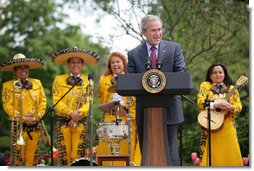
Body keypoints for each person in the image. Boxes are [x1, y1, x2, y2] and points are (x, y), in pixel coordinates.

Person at [127, 14, 186, 166]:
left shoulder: (174, 49)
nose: (158, 33)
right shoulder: (133, 54)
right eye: (153, 30)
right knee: (147, 151)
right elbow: (130, 80)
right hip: (144, 109)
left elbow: (181, 73)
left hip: (170, 107)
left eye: (160, 29)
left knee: (171, 152)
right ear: (143, 31)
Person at [51, 47, 99, 165]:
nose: (75, 65)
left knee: (79, 156)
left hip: (80, 122)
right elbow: (56, 100)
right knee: (64, 156)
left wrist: (77, 115)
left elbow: (89, 102)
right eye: (73, 62)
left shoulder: (88, 81)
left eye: (78, 62)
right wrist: (70, 113)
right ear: (68, 64)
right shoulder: (59, 79)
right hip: (63, 123)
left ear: (82, 65)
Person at [1, 53, 47, 166]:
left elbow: (43, 102)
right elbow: (8, 106)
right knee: (16, 158)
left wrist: (37, 116)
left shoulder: (37, 83)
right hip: (18, 127)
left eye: (25, 66)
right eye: (20, 67)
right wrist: (22, 119)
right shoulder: (7, 85)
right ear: (14, 71)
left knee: (33, 159)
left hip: (35, 125)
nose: (23, 69)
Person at [97, 52, 141, 166]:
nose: (115, 65)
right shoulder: (104, 79)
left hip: (127, 118)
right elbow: (101, 99)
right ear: (109, 65)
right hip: (109, 117)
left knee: (125, 149)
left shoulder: (131, 78)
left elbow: (135, 102)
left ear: (124, 63)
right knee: (107, 150)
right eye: (112, 62)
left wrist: (127, 113)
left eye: (118, 62)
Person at [197, 63, 243, 166]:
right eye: (215, 73)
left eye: (220, 72)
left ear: (224, 74)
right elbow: (200, 102)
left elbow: (239, 105)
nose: (218, 75)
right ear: (210, 75)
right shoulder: (205, 86)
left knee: (231, 154)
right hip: (211, 125)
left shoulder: (232, 88)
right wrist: (215, 104)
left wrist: (231, 107)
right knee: (212, 156)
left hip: (228, 126)